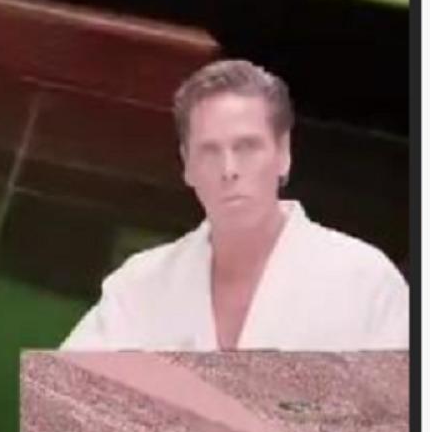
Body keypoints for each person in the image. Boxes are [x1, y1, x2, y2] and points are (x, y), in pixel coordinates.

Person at [62, 59, 408, 352]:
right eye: (210, 151)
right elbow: (64, 399)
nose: (229, 169)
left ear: (283, 152)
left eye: (246, 147)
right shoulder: (138, 286)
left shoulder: (365, 282)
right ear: (187, 165)